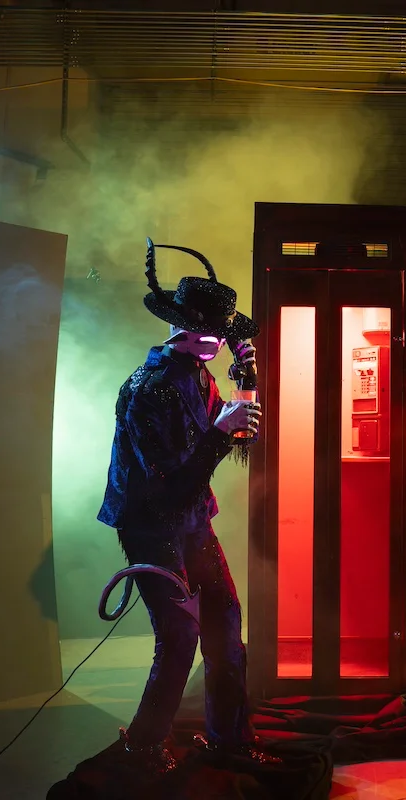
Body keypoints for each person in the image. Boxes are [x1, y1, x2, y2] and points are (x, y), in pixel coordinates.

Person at [97, 241, 279, 775]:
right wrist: (220, 435)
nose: (225, 342)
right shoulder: (148, 389)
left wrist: (245, 381)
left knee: (225, 630)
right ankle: (144, 749)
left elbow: (239, 439)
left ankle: (230, 740)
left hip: (194, 522)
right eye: (219, 335)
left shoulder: (202, 374)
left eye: (228, 335)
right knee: (178, 638)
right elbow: (166, 489)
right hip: (152, 529)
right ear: (186, 331)